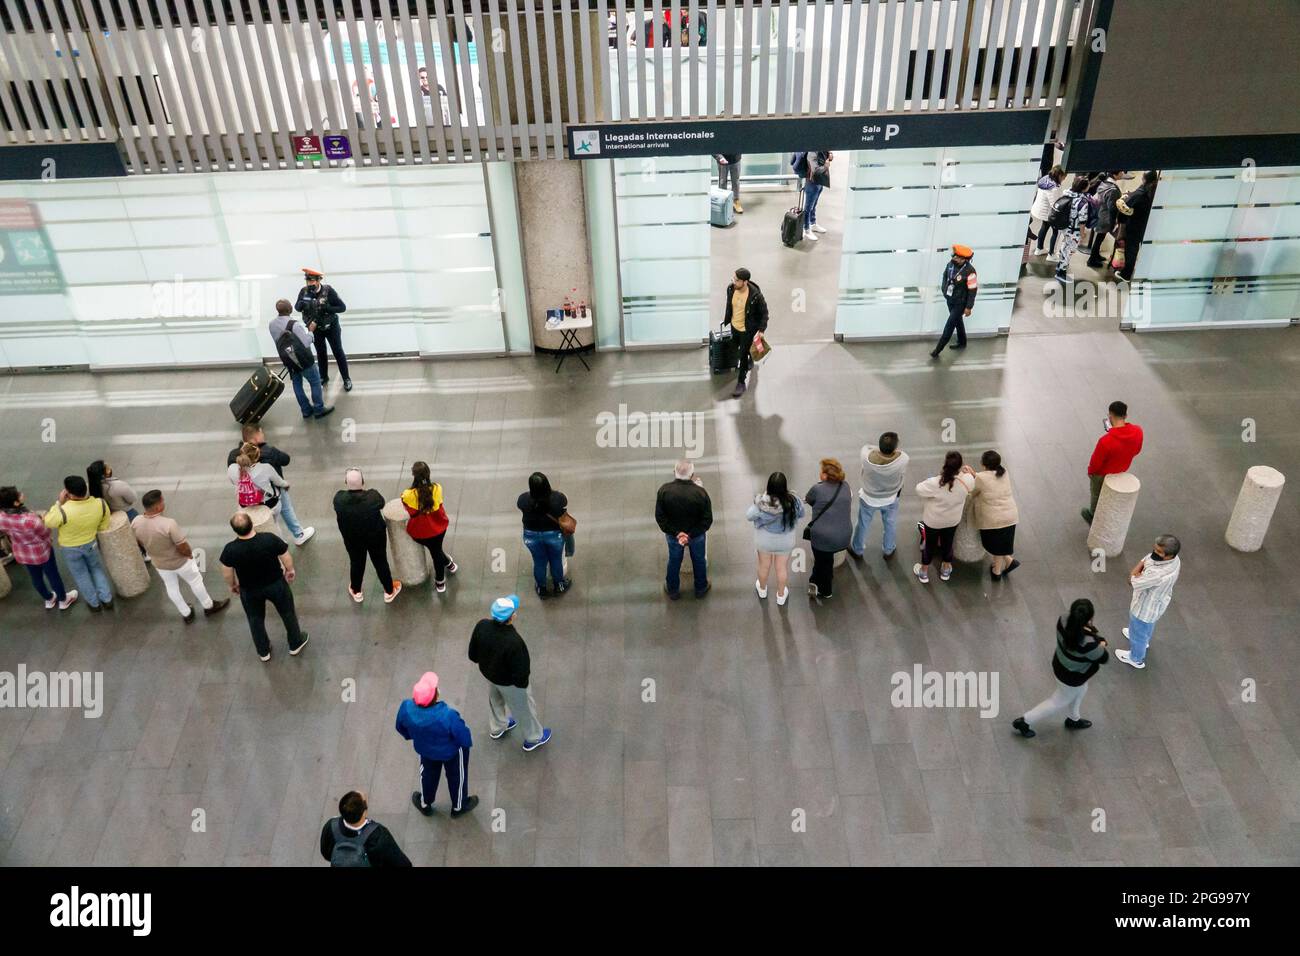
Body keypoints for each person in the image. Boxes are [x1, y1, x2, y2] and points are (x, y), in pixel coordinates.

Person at [218, 511, 308, 661]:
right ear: (252, 524)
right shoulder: (269, 539)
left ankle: (263, 650)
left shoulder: (230, 549)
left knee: (255, 619)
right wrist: (290, 570)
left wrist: (232, 585)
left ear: (234, 530)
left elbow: (227, 572)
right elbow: (285, 555)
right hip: (275, 584)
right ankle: (295, 643)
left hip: (249, 590)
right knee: (287, 613)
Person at [468, 594, 553, 752]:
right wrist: (522, 688)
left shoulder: (482, 626)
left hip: (489, 674)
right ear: (512, 617)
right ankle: (534, 737)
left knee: (495, 700)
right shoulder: (514, 642)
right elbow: (521, 673)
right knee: (524, 709)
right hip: (509, 683)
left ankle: (498, 726)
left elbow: (472, 655)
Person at [1012, 599, 1108, 738]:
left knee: (1081, 689)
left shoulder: (1063, 620)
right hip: (1072, 677)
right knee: (1057, 701)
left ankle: (1073, 718)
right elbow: (1104, 658)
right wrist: (1102, 644)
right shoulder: (1090, 645)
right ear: (1090, 618)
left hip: (1061, 664)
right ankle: (1025, 721)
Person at [132, 490, 230, 623]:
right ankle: (208, 606)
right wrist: (189, 555)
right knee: (196, 581)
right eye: (162, 501)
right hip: (181, 562)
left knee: (171, 587)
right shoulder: (168, 524)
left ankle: (186, 613)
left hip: (160, 564)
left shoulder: (136, 521)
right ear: (157, 506)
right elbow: (182, 546)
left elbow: (138, 541)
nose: (164, 503)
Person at [397, 671, 478, 818]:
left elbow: (400, 727)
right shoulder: (448, 715)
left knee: (427, 776)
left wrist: (414, 737)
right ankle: (459, 807)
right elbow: (463, 735)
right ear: (435, 696)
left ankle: (425, 803)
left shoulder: (406, 708)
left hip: (425, 750)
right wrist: (466, 745)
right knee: (457, 777)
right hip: (451, 752)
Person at [227, 424, 314, 546]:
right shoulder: (268, 454)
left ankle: (279, 543)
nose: (263, 434)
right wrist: (285, 485)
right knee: (285, 509)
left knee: (270, 524)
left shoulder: (233, 456)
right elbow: (286, 460)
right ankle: (298, 535)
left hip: (247, 501)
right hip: (271, 496)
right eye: (261, 432)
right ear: (255, 438)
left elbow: (233, 479)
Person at [43, 475, 113, 611]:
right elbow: (104, 525)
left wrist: (59, 502)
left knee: (81, 575)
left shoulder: (63, 510)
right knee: (96, 569)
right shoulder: (100, 503)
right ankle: (107, 599)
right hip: (91, 544)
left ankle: (94, 604)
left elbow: (48, 521)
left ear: (68, 493)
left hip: (70, 549)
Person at [0, 486, 76, 610]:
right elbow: (45, 532)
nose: (21, 493)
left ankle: (49, 599)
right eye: (18, 494)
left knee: (36, 578)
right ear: (15, 502)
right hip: (42, 551)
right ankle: (63, 600)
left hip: (22, 553)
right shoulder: (30, 520)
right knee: (53, 575)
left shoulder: (2, 517)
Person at [333, 467, 400, 604]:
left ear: (346, 482)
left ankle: (356, 590)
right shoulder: (373, 496)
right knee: (380, 562)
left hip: (352, 539)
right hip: (375, 537)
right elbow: (382, 503)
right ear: (363, 481)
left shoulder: (339, 498)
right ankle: (389, 590)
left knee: (356, 562)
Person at [1115, 535, 1181, 670]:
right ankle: (1144, 640)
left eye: (1158, 552)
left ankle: (1136, 658)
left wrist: (1139, 569)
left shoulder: (1157, 574)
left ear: (1169, 555)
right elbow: (1147, 560)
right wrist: (1143, 566)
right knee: (1147, 627)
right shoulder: (1176, 560)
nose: (1153, 554)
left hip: (1143, 608)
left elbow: (1131, 580)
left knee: (1138, 630)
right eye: (1154, 549)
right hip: (1157, 605)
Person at [912, 452, 975, 584]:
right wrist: (966, 473)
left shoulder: (936, 482)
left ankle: (924, 572)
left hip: (933, 521)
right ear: (960, 466)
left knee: (929, 546)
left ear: (945, 465)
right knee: (948, 543)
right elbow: (972, 482)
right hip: (952, 520)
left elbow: (919, 489)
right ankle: (946, 569)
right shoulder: (966, 481)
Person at [745, 471, 805, 607]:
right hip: (785, 541)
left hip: (764, 541)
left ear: (769, 486)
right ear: (785, 486)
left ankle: (762, 589)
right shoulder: (794, 501)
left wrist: (764, 497)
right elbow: (801, 514)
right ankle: (781, 595)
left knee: (764, 566)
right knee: (781, 568)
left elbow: (749, 515)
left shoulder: (762, 503)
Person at [655, 459, 713, 600]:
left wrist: (677, 533)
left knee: (674, 560)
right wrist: (691, 534)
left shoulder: (664, 490)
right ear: (692, 474)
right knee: (699, 560)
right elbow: (707, 520)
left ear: (674, 472)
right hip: (696, 535)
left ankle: (673, 590)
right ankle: (700, 588)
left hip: (673, 536)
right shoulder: (700, 493)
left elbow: (660, 517)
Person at [269, 298, 333, 420]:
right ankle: (319, 409)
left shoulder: (272, 325)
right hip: (303, 358)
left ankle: (305, 410)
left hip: (288, 358)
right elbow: (306, 342)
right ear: (290, 309)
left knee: (297, 383)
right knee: (315, 382)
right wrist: (310, 331)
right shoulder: (294, 325)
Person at [1081, 400, 1144, 524]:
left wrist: (1091, 472)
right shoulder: (1138, 431)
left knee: (1096, 495)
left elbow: (1096, 462)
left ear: (1110, 416)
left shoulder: (1106, 441)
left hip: (1102, 474)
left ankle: (1092, 516)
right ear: (1125, 416)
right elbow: (1137, 450)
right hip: (1121, 470)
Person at [849, 431, 909, 560]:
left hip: (868, 497)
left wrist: (879, 448)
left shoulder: (865, 456)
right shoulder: (903, 459)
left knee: (863, 523)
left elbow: (867, 447)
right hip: (891, 498)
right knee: (890, 523)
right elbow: (901, 454)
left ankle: (857, 549)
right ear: (895, 448)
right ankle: (888, 550)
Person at [401, 461, 457, 593]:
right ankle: (448, 566)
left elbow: (405, 503)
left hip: (420, 533)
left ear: (413, 475)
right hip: (439, 528)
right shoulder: (437, 488)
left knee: (436, 553)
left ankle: (441, 581)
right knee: (436, 551)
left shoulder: (409, 494)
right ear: (428, 474)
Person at [516, 471, 571, 599]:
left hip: (531, 536)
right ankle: (559, 585)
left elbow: (521, 506)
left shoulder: (523, 499)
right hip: (554, 535)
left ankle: (541, 588)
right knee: (556, 560)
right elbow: (563, 509)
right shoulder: (558, 498)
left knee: (539, 562)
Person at [319, 791, 412, 867]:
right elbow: (400, 862)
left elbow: (326, 853)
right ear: (364, 813)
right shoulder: (378, 836)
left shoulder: (331, 826)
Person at [295, 267, 351, 390]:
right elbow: (297, 308)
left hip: (331, 327)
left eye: (313, 281)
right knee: (321, 353)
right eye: (308, 281)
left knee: (338, 351)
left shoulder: (328, 291)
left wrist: (328, 308)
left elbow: (342, 307)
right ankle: (323, 377)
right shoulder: (304, 292)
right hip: (316, 328)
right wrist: (305, 300)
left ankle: (346, 378)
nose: (310, 283)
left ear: (319, 280)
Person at [804, 459, 852, 600]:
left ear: (825, 475)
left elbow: (810, 500)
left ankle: (825, 590)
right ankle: (825, 574)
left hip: (823, 538)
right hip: (844, 535)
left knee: (820, 562)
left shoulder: (817, 489)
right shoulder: (845, 486)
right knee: (826, 559)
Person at [969, 451, 1020, 581]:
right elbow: (989, 481)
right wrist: (975, 475)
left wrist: (973, 477)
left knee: (994, 545)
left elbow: (973, 492)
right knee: (1001, 544)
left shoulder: (981, 478)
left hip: (993, 519)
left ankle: (997, 571)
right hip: (1010, 515)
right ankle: (1006, 563)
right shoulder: (1004, 472)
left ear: (983, 464)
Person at [721, 267, 769, 398]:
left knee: (742, 355)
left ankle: (741, 382)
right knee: (736, 349)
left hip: (747, 331)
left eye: (737, 280)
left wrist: (761, 330)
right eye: (734, 278)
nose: (733, 281)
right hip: (734, 326)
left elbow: (764, 313)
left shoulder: (755, 296)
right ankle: (749, 357)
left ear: (745, 281)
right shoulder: (731, 288)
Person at [87, 459, 147, 560]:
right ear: (106, 473)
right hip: (127, 513)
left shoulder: (91, 487)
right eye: (107, 467)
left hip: (109, 515)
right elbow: (133, 498)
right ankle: (144, 553)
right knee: (138, 534)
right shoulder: (119, 485)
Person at [227, 443, 290, 529]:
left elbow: (233, 482)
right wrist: (286, 484)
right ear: (257, 456)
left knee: (251, 528)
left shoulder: (232, 468)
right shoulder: (266, 468)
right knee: (274, 524)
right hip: (269, 504)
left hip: (245, 505)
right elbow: (279, 482)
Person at [930, 244, 978, 357]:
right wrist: (944, 290)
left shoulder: (970, 271)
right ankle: (962, 342)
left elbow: (972, 290)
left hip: (960, 303)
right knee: (958, 321)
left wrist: (969, 307)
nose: (953, 257)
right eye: (954, 255)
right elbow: (944, 276)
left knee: (950, 325)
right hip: (950, 299)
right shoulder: (950, 264)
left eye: (956, 256)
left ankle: (937, 350)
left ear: (964, 259)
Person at [1115, 170, 1158, 283]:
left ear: (1143, 179)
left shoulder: (1140, 193)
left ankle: (1126, 274)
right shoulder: (1156, 191)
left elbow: (1125, 204)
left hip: (1135, 226)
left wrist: (1125, 196)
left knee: (1131, 251)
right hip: (1148, 226)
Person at [1053, 174, 1092, 282]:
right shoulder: (1082, 202)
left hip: (1064, 226)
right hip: (1074, 231)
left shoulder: (1067, 193)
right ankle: (1061, 272)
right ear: (1084, 188)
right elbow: (1082, 220)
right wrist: (1082, 233)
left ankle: (1060, 265)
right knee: (1069, 250)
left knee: (1064, 246)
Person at [1086, 171, 1124, 268]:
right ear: (1116, 174)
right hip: (1106, 217)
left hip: (1100, 213)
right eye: (1121, 172)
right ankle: (1092, 260)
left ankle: (1095, 255)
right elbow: (1112, 208)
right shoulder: (1113, 190)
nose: (1122, 174)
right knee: (1099, 238)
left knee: (1100, 237)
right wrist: (1113, 223)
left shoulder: (1104, 183)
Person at [1029, 165, 1066, 255]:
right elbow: (1056, 204)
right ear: (1060, 176)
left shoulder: (1046, 178)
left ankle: (1039, 248)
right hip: (1048, 212)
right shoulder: (1054, 188)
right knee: (1056, 232)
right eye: (1064, 176)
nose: (1064, 179)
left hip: (1040, 209)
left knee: (1044, 227)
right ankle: (1051, 254)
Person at [800, 150, 832, 241]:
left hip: (819, 182)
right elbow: (816, 171)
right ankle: (806, 229)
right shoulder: (812, 153)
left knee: (813, 205)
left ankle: (812, 223)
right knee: (808, 208)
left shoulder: (820, 149)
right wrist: (826, 166)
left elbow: (823, 158)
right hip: (812, 183)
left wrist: (829, 155)